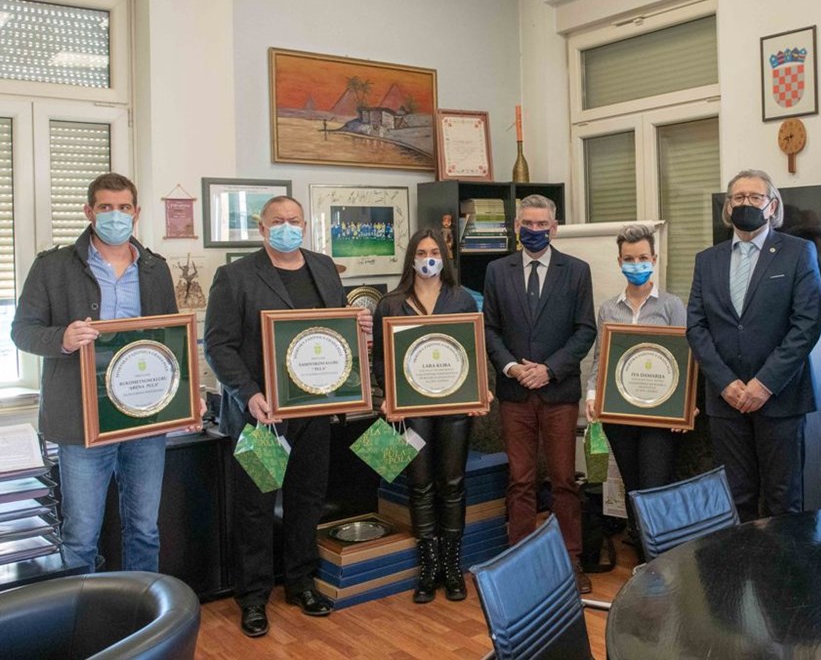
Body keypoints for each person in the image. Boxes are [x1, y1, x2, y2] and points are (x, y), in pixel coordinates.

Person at [204, 195, 372, 638]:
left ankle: (301, 583)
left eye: (294, 220)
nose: (286, 227)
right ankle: (253, 597)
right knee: (255, 507)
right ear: (261, 228)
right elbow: (218, 346)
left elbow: (334, 333)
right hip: (261, 416)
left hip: (313, 411)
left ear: (305, 226)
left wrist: (359, 329)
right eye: (277, 221)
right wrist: (249, 394)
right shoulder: (235, 276)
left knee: (307, 500)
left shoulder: (323, 267)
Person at [11, 172, 186, 573]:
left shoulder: (155, 268)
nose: (115, 216)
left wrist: (184, 398)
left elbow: (170, 341)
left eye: (123, 208)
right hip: (81, 419)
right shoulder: (53, 266)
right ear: (89, 211)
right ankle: (83, 612)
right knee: (80, 536)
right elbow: (22, 331)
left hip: (145, 417)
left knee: (145, 528)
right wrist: (62, 338)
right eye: (106, 207)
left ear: (136, 213)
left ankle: (143, 606)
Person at [686, 169, 821, 522]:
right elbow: (696, 327)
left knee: (783, 499)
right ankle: (743, 560)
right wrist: (725, 383)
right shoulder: (707, 260)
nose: (746, 203)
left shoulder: (798, 252)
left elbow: (806, 325)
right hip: (726, 401)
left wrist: (764, 384)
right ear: (728, 206)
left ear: (772, 205)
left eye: (755, 197)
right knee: (736, 498)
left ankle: (784, 562)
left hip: (780, 398)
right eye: (738, 197)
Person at [482, 194, 596, 593]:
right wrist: (512, 367)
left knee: (563, 480)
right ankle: (520, 564)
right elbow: (489, 329)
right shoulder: (497, 271)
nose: (534, 230)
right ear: (516, 227)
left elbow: (585, 329)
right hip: (514, 393)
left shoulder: (576, 271)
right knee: (520, 481)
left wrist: (548, 369)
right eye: (527, 224)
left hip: (558, 391)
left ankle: (570, 562)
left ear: (554, 227)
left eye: (541, 224)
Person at [372, 229, 489, 603]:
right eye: (421, 252)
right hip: (412, 412)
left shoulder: (462, 299)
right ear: (411, 258)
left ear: (444, 256)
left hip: (454, 408)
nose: (428, 258)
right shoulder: (391, 304)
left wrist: (479, 389)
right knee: (419, 485)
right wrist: (388, 396)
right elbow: (380, 360)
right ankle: (429, 567)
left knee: (452, 483)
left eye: (434, 251)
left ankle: (452, 568)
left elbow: (473, 350)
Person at [584, 224, 687, 557]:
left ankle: (662, 558)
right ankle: (644, 557)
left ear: (654, 259)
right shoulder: (608, 309)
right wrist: (592, 396)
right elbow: (600, 360)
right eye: (629, 259)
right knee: (632, 488)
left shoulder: (672, 306)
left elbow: (686, 360)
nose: (636, 264)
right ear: (619, 262)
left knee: (655, 488)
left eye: (643, 257)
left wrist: (685, 406)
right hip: (619, 415)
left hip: (660, 417)